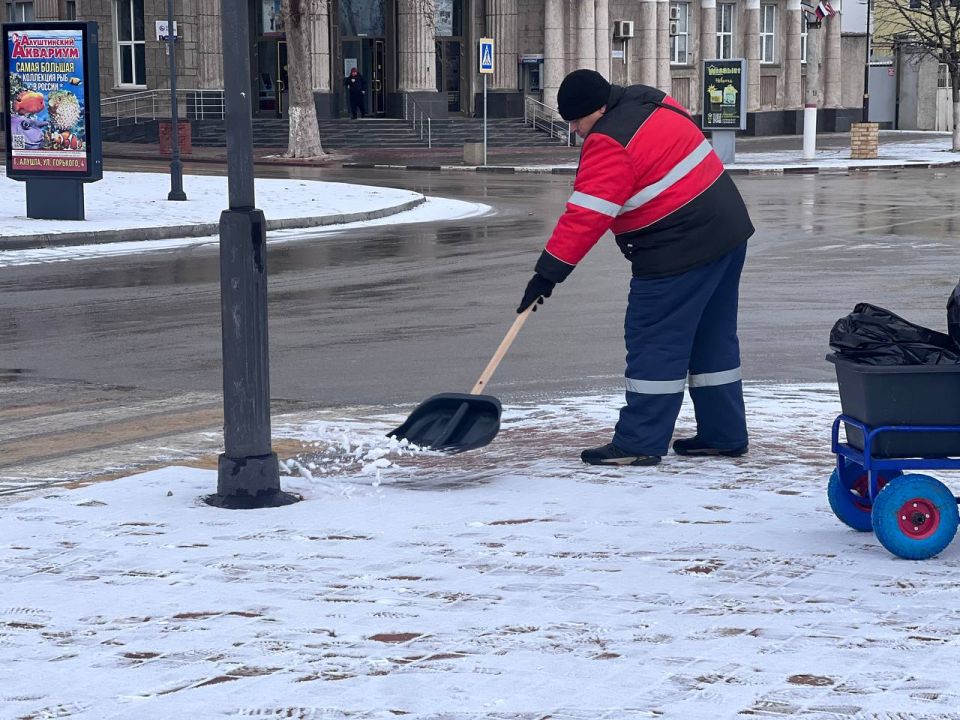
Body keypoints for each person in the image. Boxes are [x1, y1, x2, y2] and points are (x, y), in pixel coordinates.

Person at [517, 69, 754, 467]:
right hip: (726, 234)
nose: (575, 131)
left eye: (577, 121)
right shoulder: (651, 100)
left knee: (655, 341)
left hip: (677, 249)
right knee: (712, 339)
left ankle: (639, 441)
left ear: (598, 109)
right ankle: (723, 434)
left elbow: (586, 216)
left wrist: (547, 275)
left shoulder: (610, 140)